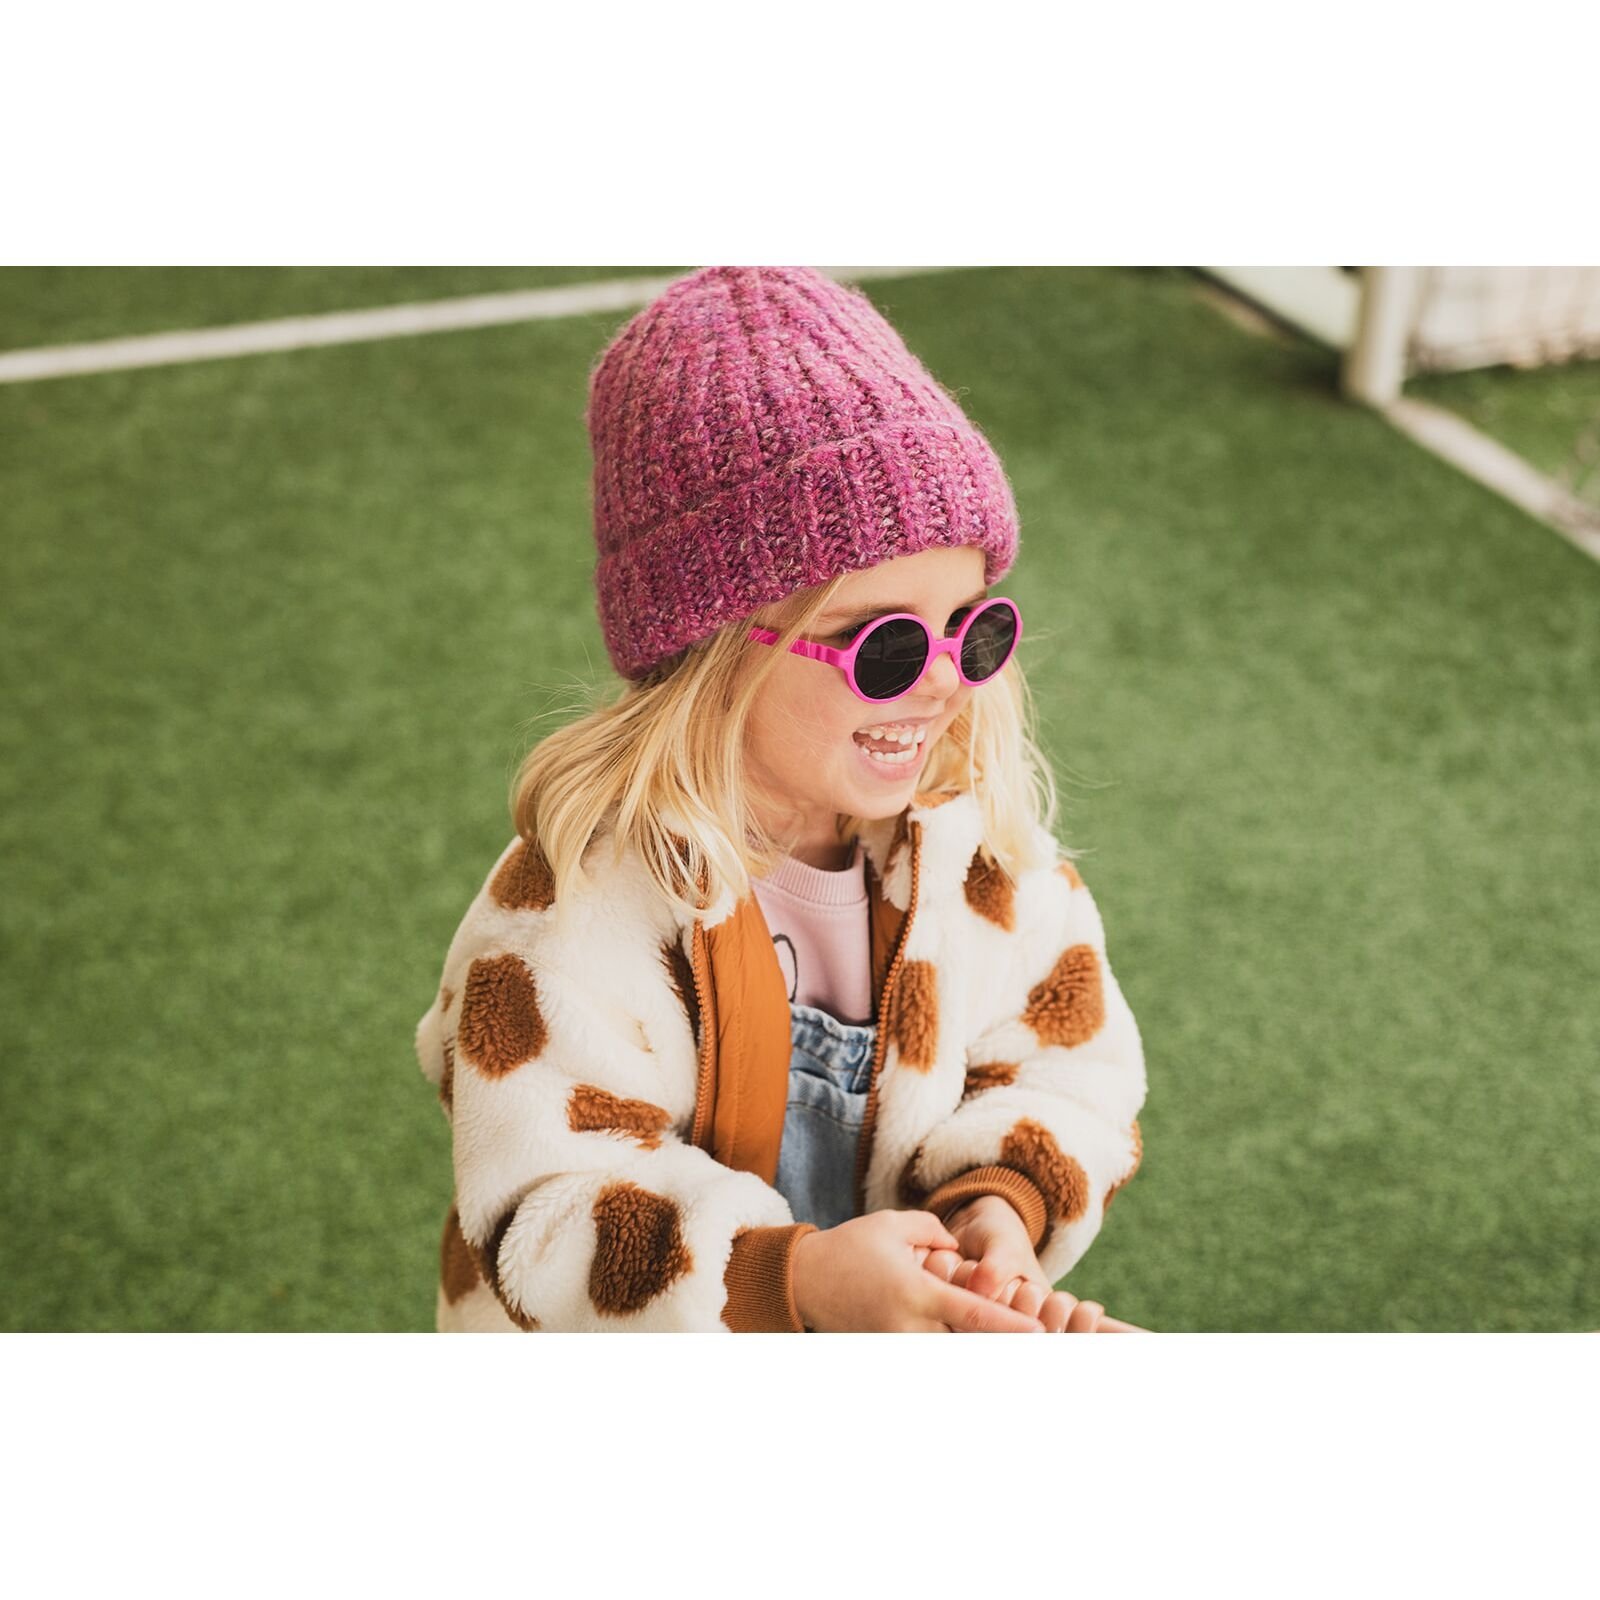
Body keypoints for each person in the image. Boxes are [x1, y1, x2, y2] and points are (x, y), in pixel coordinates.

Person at [413, 265, 1147, 1332]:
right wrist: (793, 1281)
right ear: (713, 653)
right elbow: (550, 1209)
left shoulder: (978, 850)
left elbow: (1064, 1063)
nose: (945, 680)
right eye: (885, 644)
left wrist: (997, 1203)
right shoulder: (573, 908)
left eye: (973, 625)